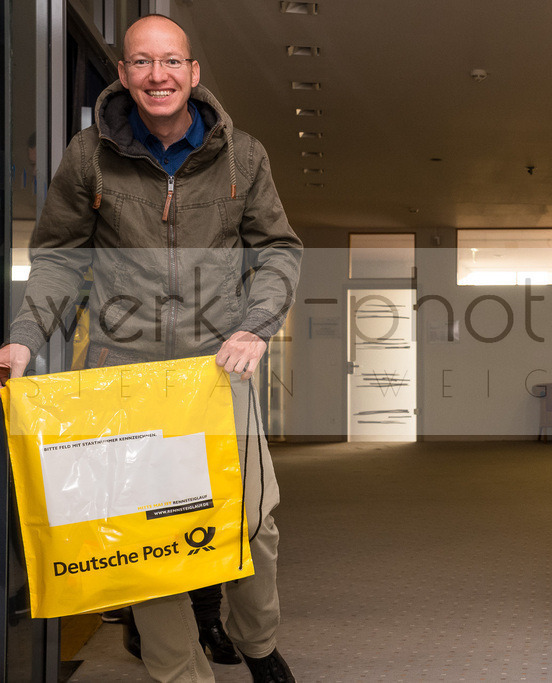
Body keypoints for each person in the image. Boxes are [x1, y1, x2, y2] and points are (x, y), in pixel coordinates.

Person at [0, 13, 301, 683]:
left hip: (218, 371)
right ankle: (182, 673)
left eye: (171, 62)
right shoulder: (88, 155)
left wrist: (254, 322)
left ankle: (257, 641)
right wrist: (25, 338)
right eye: (142, 61)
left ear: (193, 73)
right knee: (147, 542)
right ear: (124, 74)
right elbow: (58, 257)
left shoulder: (242, 154)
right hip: (124, 376)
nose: (157, 74)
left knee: (253, 523)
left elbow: (277, 251)